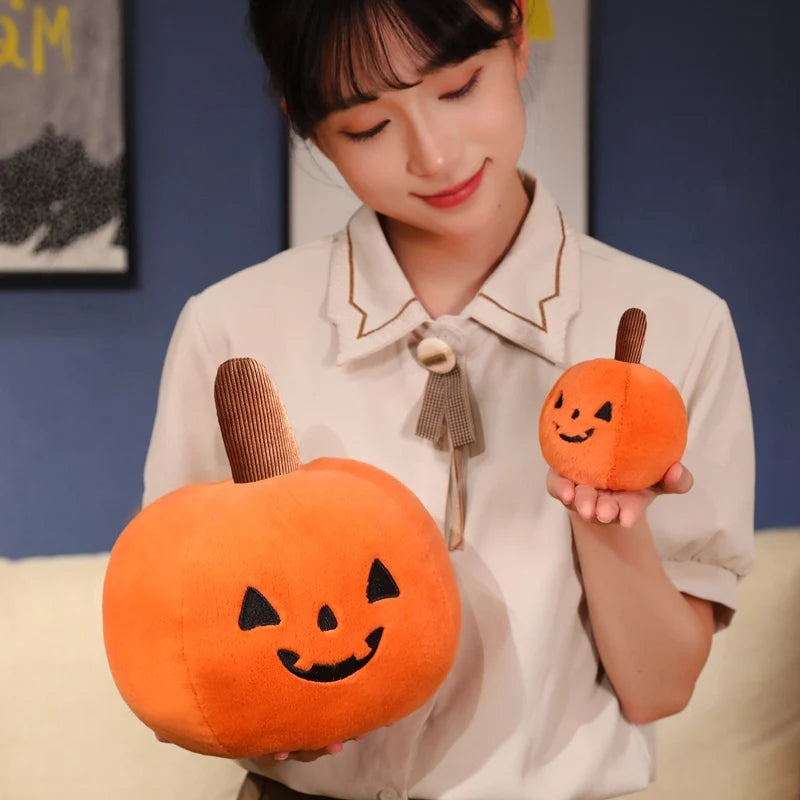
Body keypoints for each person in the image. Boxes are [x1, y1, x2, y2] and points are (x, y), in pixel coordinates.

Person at [142, 1, 755, 798]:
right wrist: (260, 708)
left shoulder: (678, 326)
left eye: (461, 88)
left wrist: (607, 518)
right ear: (307, 125)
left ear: (517, 37)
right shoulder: (230, 330)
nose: (435, 156)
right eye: (369, 128)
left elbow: (659, 688)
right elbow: (181, 631)